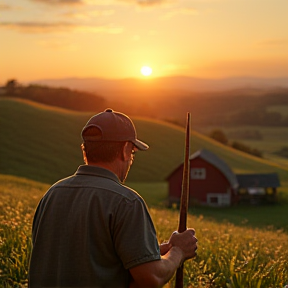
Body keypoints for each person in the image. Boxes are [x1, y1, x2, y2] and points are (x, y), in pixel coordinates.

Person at [28, 108, 198, 288]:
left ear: (85, 151)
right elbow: (151, 278)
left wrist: (153, 253)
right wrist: (179, 252)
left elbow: (84, 260)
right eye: (132, 152)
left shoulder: (52, 195)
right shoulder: (126, 202)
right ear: (125, 150)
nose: (131, 159)